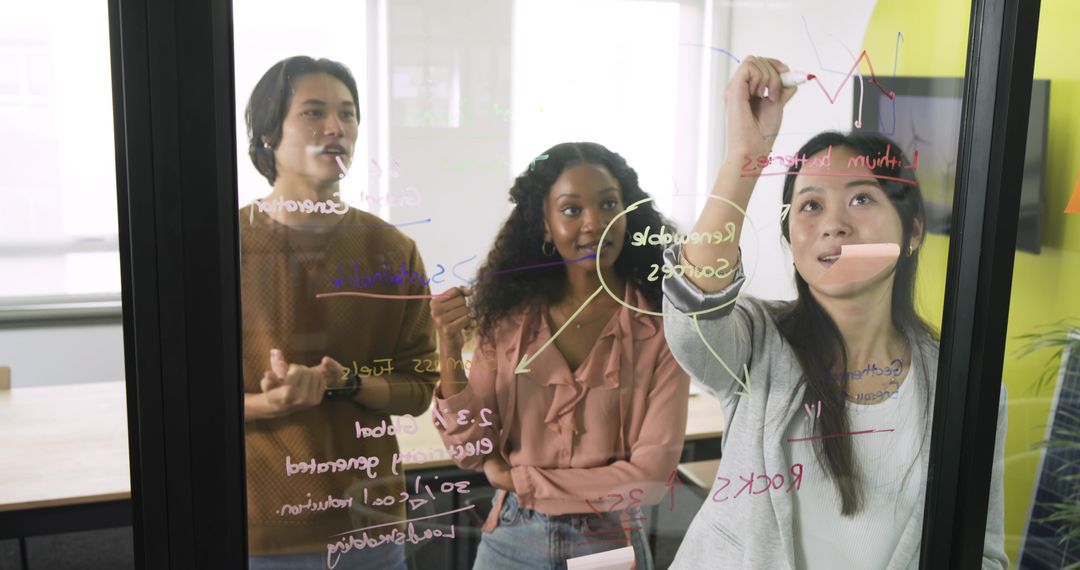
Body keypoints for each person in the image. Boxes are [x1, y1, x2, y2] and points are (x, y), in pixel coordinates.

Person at [661, 56, 1009, 569]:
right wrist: (746, 154)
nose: (834, 225)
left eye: (862, 198)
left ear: (913, 232)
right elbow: (692, 314)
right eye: (811, 205)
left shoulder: (964, 383)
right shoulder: (757, 342)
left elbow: (980, 550)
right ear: (791, 238)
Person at [429, 142, 691, 569]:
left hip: (607, 544)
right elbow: (473, 450)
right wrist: (448, 345)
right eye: (572, 210)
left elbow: (649, 479)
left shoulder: (661, 325)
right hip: (512, 539)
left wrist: (518, 479)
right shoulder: (508, 321)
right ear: (545, 226)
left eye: (609, 204)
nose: (596, 223)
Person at [239, 56, 438, 570]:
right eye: (313, 113)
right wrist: (272, 403)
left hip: (367, 525)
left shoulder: (391, 248)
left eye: (348, 114)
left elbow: (419, 387)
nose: (336, 128)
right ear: (266, 134)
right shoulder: (224, 245)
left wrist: (346, 383)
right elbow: (177, 402)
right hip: (259, 525)